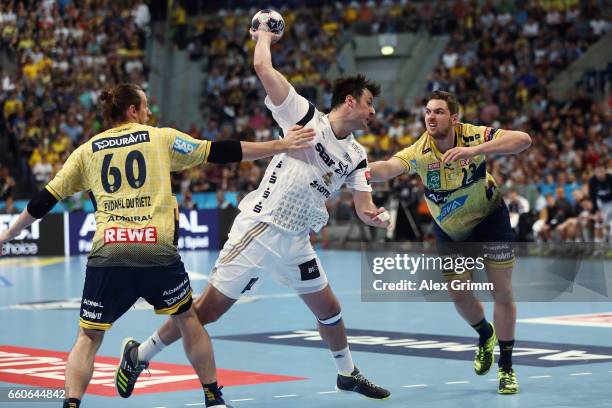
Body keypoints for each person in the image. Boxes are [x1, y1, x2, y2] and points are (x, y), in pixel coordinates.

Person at [0, 83, 315, 408]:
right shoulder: (159, 138)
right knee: (188, 320)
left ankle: (71, 404)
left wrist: (5, 236)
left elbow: (43, 200)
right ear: (133, 111)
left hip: (109, 254)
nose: (150, 112)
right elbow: (220, 151)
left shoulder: (86, 152)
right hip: (157, 253)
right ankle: (213, 398)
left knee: (89, 336)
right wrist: (280, 144)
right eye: (146, 106)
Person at [121, 28, 392, 401]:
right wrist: (264, 33)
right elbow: (262, 66)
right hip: (260, 229)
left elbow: (363, 205)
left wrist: (375, 216)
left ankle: (347, 374)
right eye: (369, 104)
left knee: (329, 307)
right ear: (350, 101)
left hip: (297, 240)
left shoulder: (357, 155)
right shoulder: (305, 116)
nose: (373, 112)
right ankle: (139, 354)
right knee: (207, 311)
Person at [369, 90, 531, 394]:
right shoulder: (420, 151)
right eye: (428, 111)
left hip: (489, 220)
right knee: (458, 295)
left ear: (454, 119)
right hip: (451, 230)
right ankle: (485, 335)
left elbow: (523, 139)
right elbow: (388, 168)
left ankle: (507, 367)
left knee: (502, 292)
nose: (431, 117)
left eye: (439, 112)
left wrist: (475, 152)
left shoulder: (473, 135)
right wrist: (358, 171)